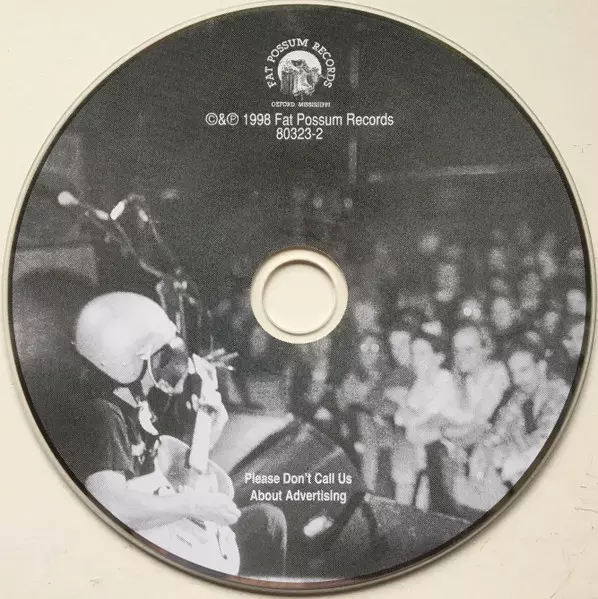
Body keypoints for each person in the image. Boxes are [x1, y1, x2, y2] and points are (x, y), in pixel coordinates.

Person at [70, 291, 287, 577]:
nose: (172, 363)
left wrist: (209, 427)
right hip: (143, 557)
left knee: (267, 521)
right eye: (162, 357)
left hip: (165, 533)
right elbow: (113, 505)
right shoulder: (105, 416)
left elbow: (176, 482)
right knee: (265, 524)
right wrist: (194, 505)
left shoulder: (137, 407)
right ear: (125, 359)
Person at [470, 334, 569, 487]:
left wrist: (504, 451)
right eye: (513, 373)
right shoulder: (520, 397)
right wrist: (481, 451)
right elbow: (497, 432)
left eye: (523, 370)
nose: (517, 380)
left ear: (541, 366)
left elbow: (545, 446)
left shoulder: (562, 396)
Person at [393, 323, 470, 514]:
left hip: (452, 445)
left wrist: (406, 409)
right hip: (426, 445)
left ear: (439, 357)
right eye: (413, 354)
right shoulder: (420, 383)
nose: (415, 360)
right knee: (407, 457)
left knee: (419, 454)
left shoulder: (445, 379)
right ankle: (406, 513)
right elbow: (400, 419)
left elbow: (425, 417)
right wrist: (410, 414)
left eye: (422, 354)